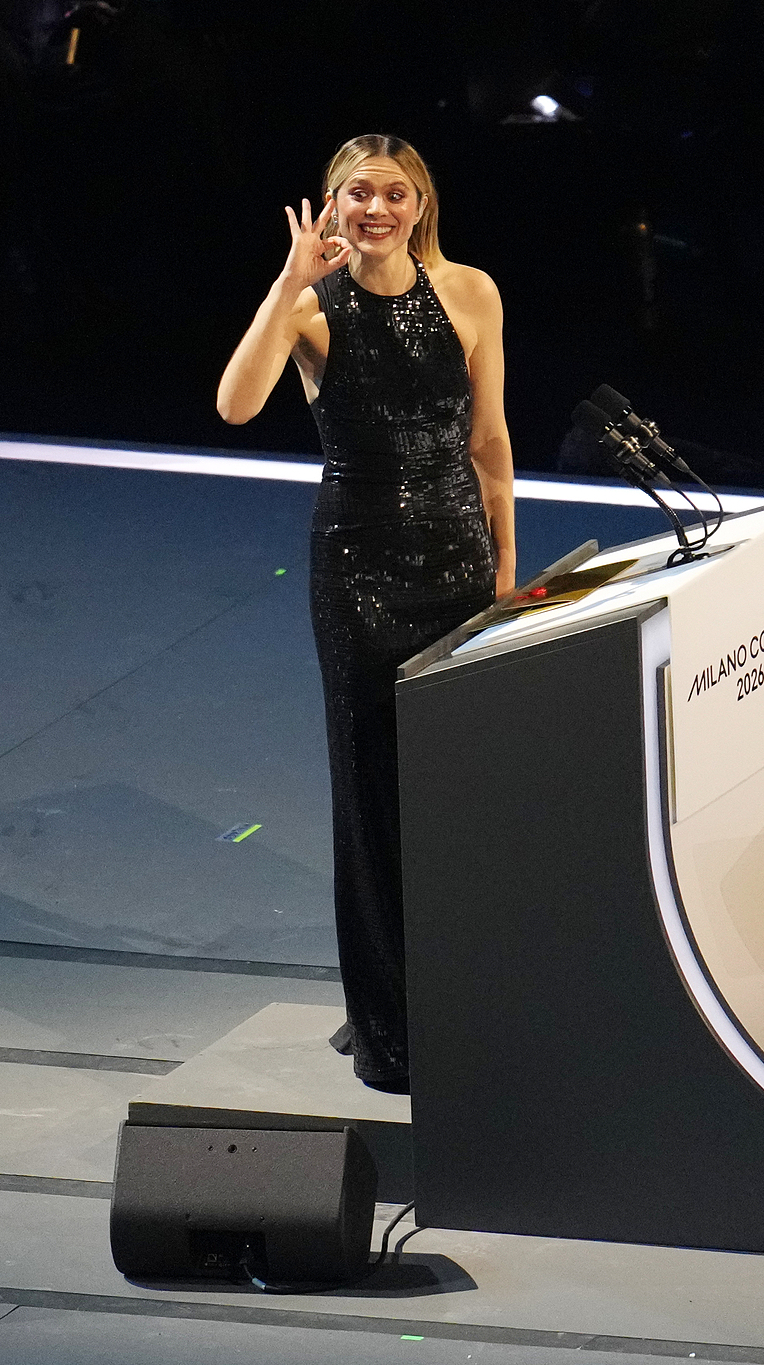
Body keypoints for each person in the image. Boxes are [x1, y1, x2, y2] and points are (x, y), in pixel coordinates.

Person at [216, 134, 516, 1094]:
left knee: (458, 790)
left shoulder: (471, 292)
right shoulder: (309, 309)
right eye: (357, 194)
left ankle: (469, 992)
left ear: (420, 204)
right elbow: (235, 404)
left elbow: (490, 441)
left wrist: (507, 578)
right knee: (375, 792)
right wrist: (285, 284)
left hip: (461, 564)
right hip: (360, 573)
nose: (375, 209)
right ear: (331, 205)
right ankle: (389, 1023)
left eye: (394, 193)